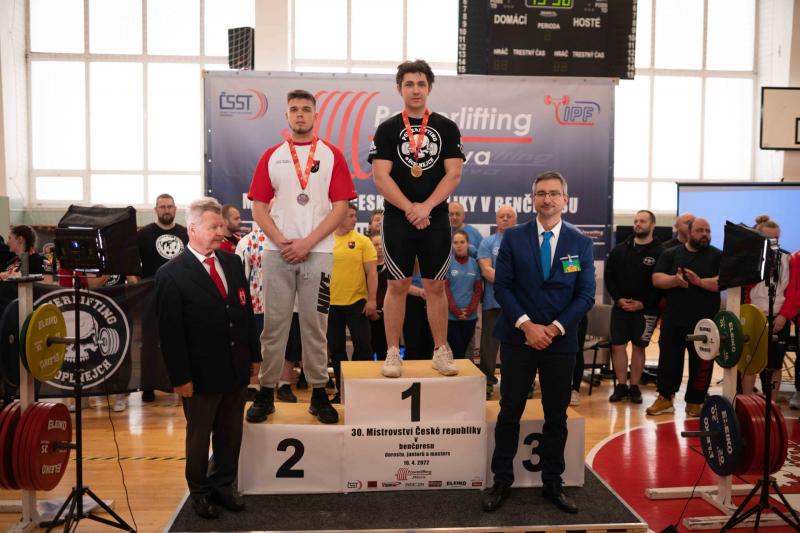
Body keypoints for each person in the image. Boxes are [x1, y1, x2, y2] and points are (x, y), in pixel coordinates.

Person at [482, 171, 595, 515]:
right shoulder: (513, 238)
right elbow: (503, 286)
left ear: (565, 200)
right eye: (541, 193)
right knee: (509, 412)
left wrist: (555, 328)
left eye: (554, 193)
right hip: (518, 339)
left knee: (556, 416)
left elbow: (585, 295)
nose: (547, 199)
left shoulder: (580, 242)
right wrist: (527, 325)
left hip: (560, 343)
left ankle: (553, 482)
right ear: (533, 199)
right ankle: (501, 480)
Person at [246, 89, 356, 425]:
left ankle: (319, 393)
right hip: (277, 252)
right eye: (294, 109)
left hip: (318, 252)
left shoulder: (332, 155)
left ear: (315, 115)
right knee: (273, 326)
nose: (300, 114)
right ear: (286, 116)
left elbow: (341, 207)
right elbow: (258, 207)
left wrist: (307, 243)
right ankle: (266, 392)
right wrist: (281, 240)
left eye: (306, 109)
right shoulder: (272, 156)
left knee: (315, 325)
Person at [155, 197, 261, 520]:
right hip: (199, 376)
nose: (220, 232)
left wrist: (254, 356)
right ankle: (199, 491)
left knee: (231, 434)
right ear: (193, 228)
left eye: (221, 226)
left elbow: (244, 311)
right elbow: (170, 333)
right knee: (199, 438)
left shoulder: (232, 263)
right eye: (214, 227)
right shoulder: (171, 274)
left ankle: (223, 484)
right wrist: (180, 378)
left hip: (235, 368)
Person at [369, 59, 465, 378]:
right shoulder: (387, 129)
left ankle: (441, 351)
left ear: (429, 88)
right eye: (409, 84)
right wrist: (411, 208)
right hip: (398, 218)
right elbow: (381, 177)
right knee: (397, 285)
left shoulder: (446, 127)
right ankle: (392, 352)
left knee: (436, 286)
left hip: (435, 217)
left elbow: (453, 174)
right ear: (399, 89)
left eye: (421, 84)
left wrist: (426, 207)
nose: (415, 89)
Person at [648, 218, 720, 417]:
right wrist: (675, 280)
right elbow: (656, 279)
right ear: (689, 232)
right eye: (700, 230)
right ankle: (665, 398)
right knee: (669, 360)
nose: (704, 234)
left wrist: (700, 282)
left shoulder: (717, 255)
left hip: (704, 322)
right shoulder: (670, 253)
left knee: (701, 363)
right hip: (674, 318)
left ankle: (695, 401)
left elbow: (722, 282)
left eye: (707, 230)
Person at [604, 210, 663, 404]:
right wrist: (618, 299)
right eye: (636, 221)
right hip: (620, 308)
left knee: (639, 348)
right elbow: (609, 277)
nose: (638, 224)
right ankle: (621, 386)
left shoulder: (661, 252)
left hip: (646, 310)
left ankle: (634, 387)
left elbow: (660, 284)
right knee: (618, 347)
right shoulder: (620, 249)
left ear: (652, 225)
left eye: (643, 221)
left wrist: (643, 303)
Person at [137, 193, 189, 402]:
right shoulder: (144, 234)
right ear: (156, 210)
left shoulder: (185, 233)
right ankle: (149, 386)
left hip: (181, 295)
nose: (166, 210)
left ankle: (181, 381)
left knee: (181, 339)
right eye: (162, 207)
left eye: (169, 206)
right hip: (151, 295)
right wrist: (138, 288)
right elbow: (132, 265)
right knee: (150, 341)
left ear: (175, 209)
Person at [328, 203, 379, 401]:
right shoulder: (326, 241)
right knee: (336, 349)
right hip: (331, 304)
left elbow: (372, 273)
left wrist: (372, 300)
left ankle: (361, 391)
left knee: (363, 346)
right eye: (350, 216)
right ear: (339, 216)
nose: (355, 219)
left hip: (357, 302)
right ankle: (342, 392)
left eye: (355, 215)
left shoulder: (362, 241)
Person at [742, 216, 793, 395]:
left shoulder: (788, 259)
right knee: (750, 362)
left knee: (775, 365)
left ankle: (771, 404)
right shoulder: (749, 258)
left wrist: (784, 315)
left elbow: (793, 292)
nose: (773, 242)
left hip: (779, 317)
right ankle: (747, 403)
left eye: (776, 238)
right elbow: (744, 290)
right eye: (768, 238)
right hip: (754, 316)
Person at [478, 205, 517, 399]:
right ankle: (487, 382)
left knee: (518, 346)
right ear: (496, 219)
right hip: (493, 303)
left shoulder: (523, 242)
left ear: (515, 220)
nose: (505, 219)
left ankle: (518, 384)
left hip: (518, 304)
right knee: (489, 346)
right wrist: (511, 280)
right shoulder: (488, 242)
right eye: (502, 216)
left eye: (509, 216)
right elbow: (486, 271)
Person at [446, 230, 482, 359]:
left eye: (462, 242)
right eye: (455, 242)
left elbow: (478, 290)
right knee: (458, 352)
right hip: (451, 317)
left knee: (463, 352)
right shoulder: (448, 263)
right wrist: (455, 310)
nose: (459, 245)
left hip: (469, 317)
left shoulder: (474, 264)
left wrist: (469, 310)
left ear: (468, 244)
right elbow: (445, 289)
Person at [370, 233, 389, 360]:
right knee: (369, 348)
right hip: (369, 312)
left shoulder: (392, 267)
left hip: (388, 314)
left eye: (382, 244)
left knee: (385, 350)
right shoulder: (365, 267)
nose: (380, 247)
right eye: (376, 244)